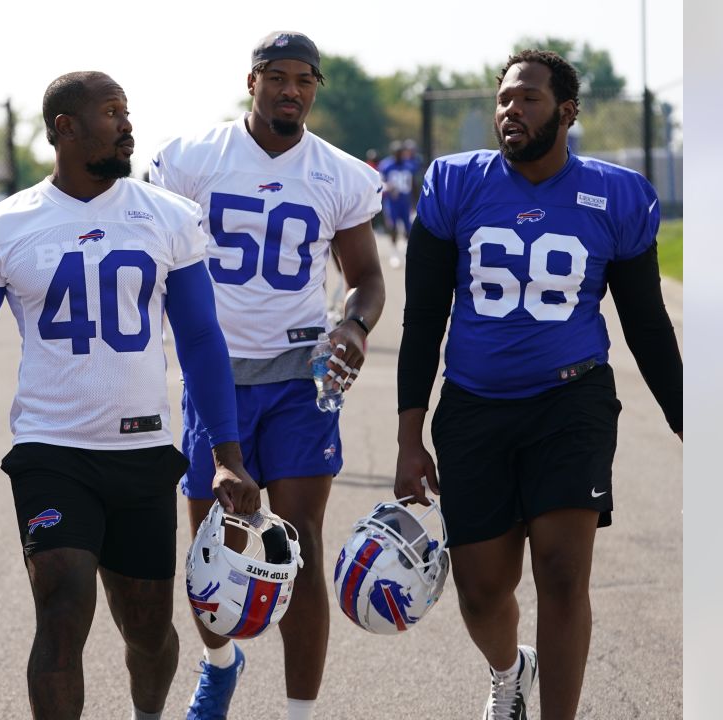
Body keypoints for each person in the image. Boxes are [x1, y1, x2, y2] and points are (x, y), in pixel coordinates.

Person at [0, 71, 260, 720]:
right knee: (62, 609)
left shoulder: (169, 218)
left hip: (143, 449)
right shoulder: (2, 227)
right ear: (66, 128)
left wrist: (226, 453)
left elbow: (202, 341)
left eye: (128, 112)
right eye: (111, 112)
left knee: (147, 627)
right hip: (51, 450)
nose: (127, 125)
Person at [395, 50, 682, 720]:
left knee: (560, 572)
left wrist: (686, 415)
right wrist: (409, 437)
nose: (510, 110)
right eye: (503, 99)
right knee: (482, 591)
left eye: (527, 98)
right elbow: (423, 316)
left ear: (567, 112)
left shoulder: (616, 195)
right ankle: (507, 668)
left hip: (571, 400)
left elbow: (646, 323)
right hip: (473, 405)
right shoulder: (453, 184)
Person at [150, 30, 385, 720]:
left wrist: (354, 324)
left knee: (300, 542)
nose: (290, 91)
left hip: (298, 375)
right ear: (251, 81)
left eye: (304, 80)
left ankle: (298, 714)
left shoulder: (339, 173)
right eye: (277, 77)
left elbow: (367, 279)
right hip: (213, 371)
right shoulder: (194, 159)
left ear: (315, 88)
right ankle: (221, 664)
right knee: (214, 539)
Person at [378, 139, 420, 268]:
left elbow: (413, 184)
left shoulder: (410, 165)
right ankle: (394, 254)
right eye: (397, 153)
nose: (399, 155)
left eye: (401, 152)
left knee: (408, 229)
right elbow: (379, 182)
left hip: (405, 201)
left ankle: (408, 254)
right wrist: (389, 187)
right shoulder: (386, 165)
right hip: (392, 201)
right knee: (393, 227)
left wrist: (416, 202)